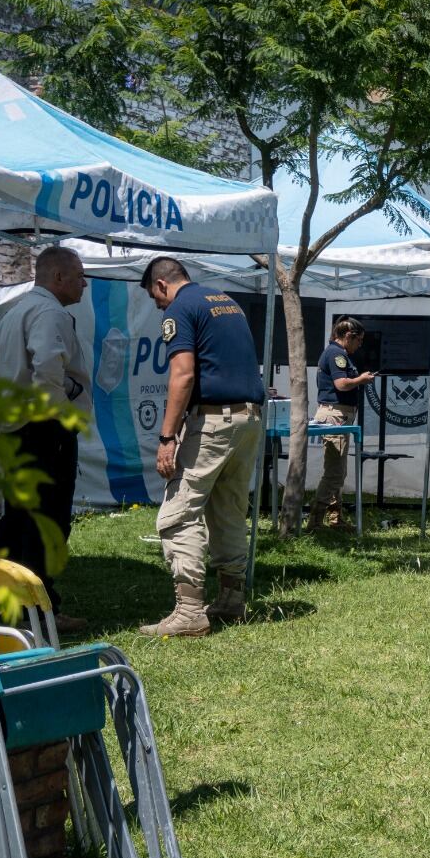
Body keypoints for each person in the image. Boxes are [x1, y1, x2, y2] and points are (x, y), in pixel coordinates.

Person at [139, 257, 266, 637]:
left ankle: (190, 610)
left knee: (178, 512)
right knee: (228, 509)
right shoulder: (224, 300)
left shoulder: (180, 308)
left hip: (213, 421)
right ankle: (231, 599)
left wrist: (167, 438)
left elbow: (183, 374)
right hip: (249, 419)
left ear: (162, 285)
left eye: (155, 299)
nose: (159, 306)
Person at [0, 246, 90, 633]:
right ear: (58, 278)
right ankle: (40, 611)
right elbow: (48, 364)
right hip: (45, 430)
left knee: (17, 520)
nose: (85, 283)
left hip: (16, 430)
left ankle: (8, 608)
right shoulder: (50, 312)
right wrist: (60, 407)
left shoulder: (16, 310)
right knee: (47, 523)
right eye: (80, 275)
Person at [308, 317, 376, 532]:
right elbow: (341, 384)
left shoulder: (338, 353)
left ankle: (336, 519)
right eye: (359, 340)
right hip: (335, 415)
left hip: (339, 414)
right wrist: (360, 380)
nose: (360, 345)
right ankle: (316, 520)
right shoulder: (337, 354)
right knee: (335, 472)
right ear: (348, 336)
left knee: (337, 470)